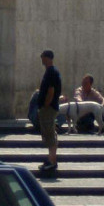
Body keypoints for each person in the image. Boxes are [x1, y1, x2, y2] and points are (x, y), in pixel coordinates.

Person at [36, 49, 62, 177]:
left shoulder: (51, 72)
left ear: (47, 58)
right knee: (50, 133)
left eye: (42, 57)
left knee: (49, 134)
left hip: (49, 108)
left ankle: (52, 161)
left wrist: (45, 105)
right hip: (50, 108)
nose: (41, 59)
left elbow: (51, 91)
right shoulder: (52, 71)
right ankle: (51, 159)